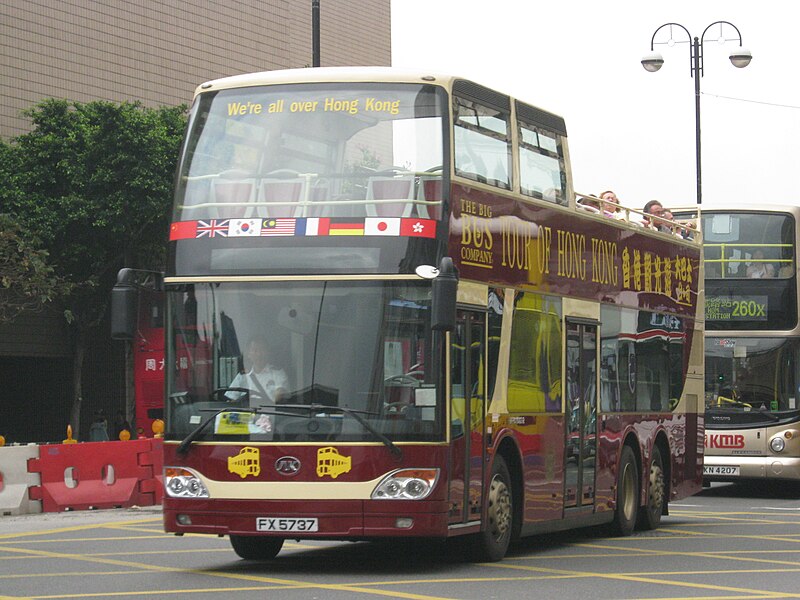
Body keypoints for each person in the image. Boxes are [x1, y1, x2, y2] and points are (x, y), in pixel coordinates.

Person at [228, 335, 288, 406]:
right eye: (255, 350)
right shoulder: (242, 376)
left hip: (270, 413)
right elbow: (231, 400)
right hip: (246, 414)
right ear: (249, 354)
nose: (259, 354)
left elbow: (280, 396)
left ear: (268, 352)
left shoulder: (277, 373)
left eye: (262, 350)